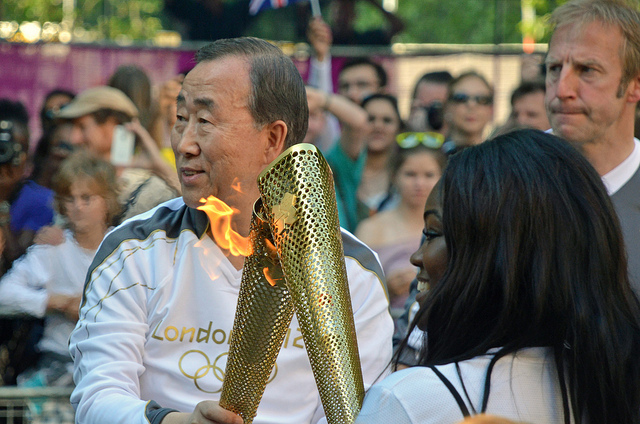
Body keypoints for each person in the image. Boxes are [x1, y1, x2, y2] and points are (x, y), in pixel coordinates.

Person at [68, 37, 393, 424]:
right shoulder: (133, 252)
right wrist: (178, 422)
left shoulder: (350, 271)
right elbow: (96, 399)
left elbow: (362, 412)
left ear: (273, 138)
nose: (184, 144)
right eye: (181, 118)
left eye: (204, 121)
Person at [355, 129, 640, 423]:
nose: (418, 257)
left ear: (496, 256)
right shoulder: (616, 386)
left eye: (432, 233)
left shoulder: (408, 401)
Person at [0, 151, 119, 390]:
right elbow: (4, 295)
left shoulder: (124, 248)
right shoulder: (53, 247)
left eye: (87, 198)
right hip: (58, 363)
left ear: (107, 201)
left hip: (111, 366)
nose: (77, 207)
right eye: (70, 199)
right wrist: (54, 302)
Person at [544, 0, 640, 294]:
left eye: (587, 70)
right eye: (554, 68)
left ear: (635, 85)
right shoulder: (495, 181)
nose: (562, 89)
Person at [56, 85, 179, 222]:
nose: (74, 138)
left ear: (112, 125)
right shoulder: (74, 184)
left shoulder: (148, 190)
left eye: (82, 127)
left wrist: (159, 166)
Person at [355, 143, 444, 319]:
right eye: (410, 174)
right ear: (395, 176)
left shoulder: (451, 227)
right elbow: (352, 291)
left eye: (429, 175)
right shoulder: (370, 229)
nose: (419, 183)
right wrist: (385, 288)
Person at [441, 71, 494, 156]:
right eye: (461, 98)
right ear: (447, 107)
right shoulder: (432, 159)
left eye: (482, 99)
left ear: (491, 110)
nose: (471, 105)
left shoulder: (499, 159)